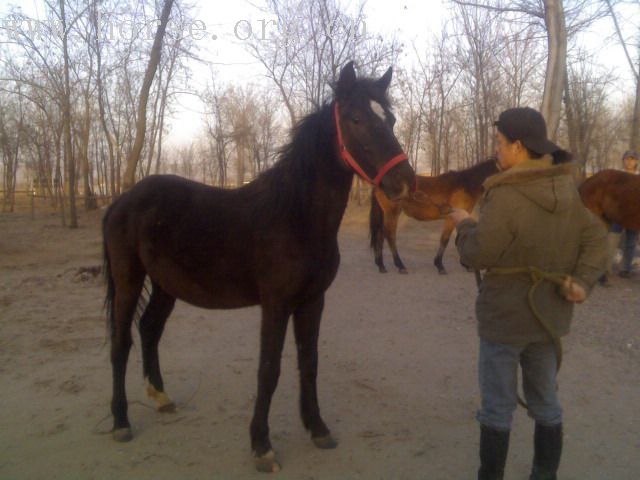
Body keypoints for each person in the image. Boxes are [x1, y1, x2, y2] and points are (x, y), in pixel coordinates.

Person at [448, 107, 609, 480]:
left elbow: (477, 254)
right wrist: (583, 281)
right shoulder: (566, 188)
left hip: (505, 320)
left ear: (519, 146)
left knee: (497, 408)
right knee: (547, 404)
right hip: (548, 317)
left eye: (500, 143)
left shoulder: (505, 195)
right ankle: (544, 474)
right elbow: (596, 237)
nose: (496, 151)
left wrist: (465, 227)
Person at [613, 150, 639, 278]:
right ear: (623, 160)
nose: (630, 161)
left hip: (633, 214)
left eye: (633, 159)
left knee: (631, 242)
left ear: (637, 162)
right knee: (611, 240)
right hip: (616, 213)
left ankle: (625, 269)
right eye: (627, 159)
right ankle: (605, 268)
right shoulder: (617, 175)